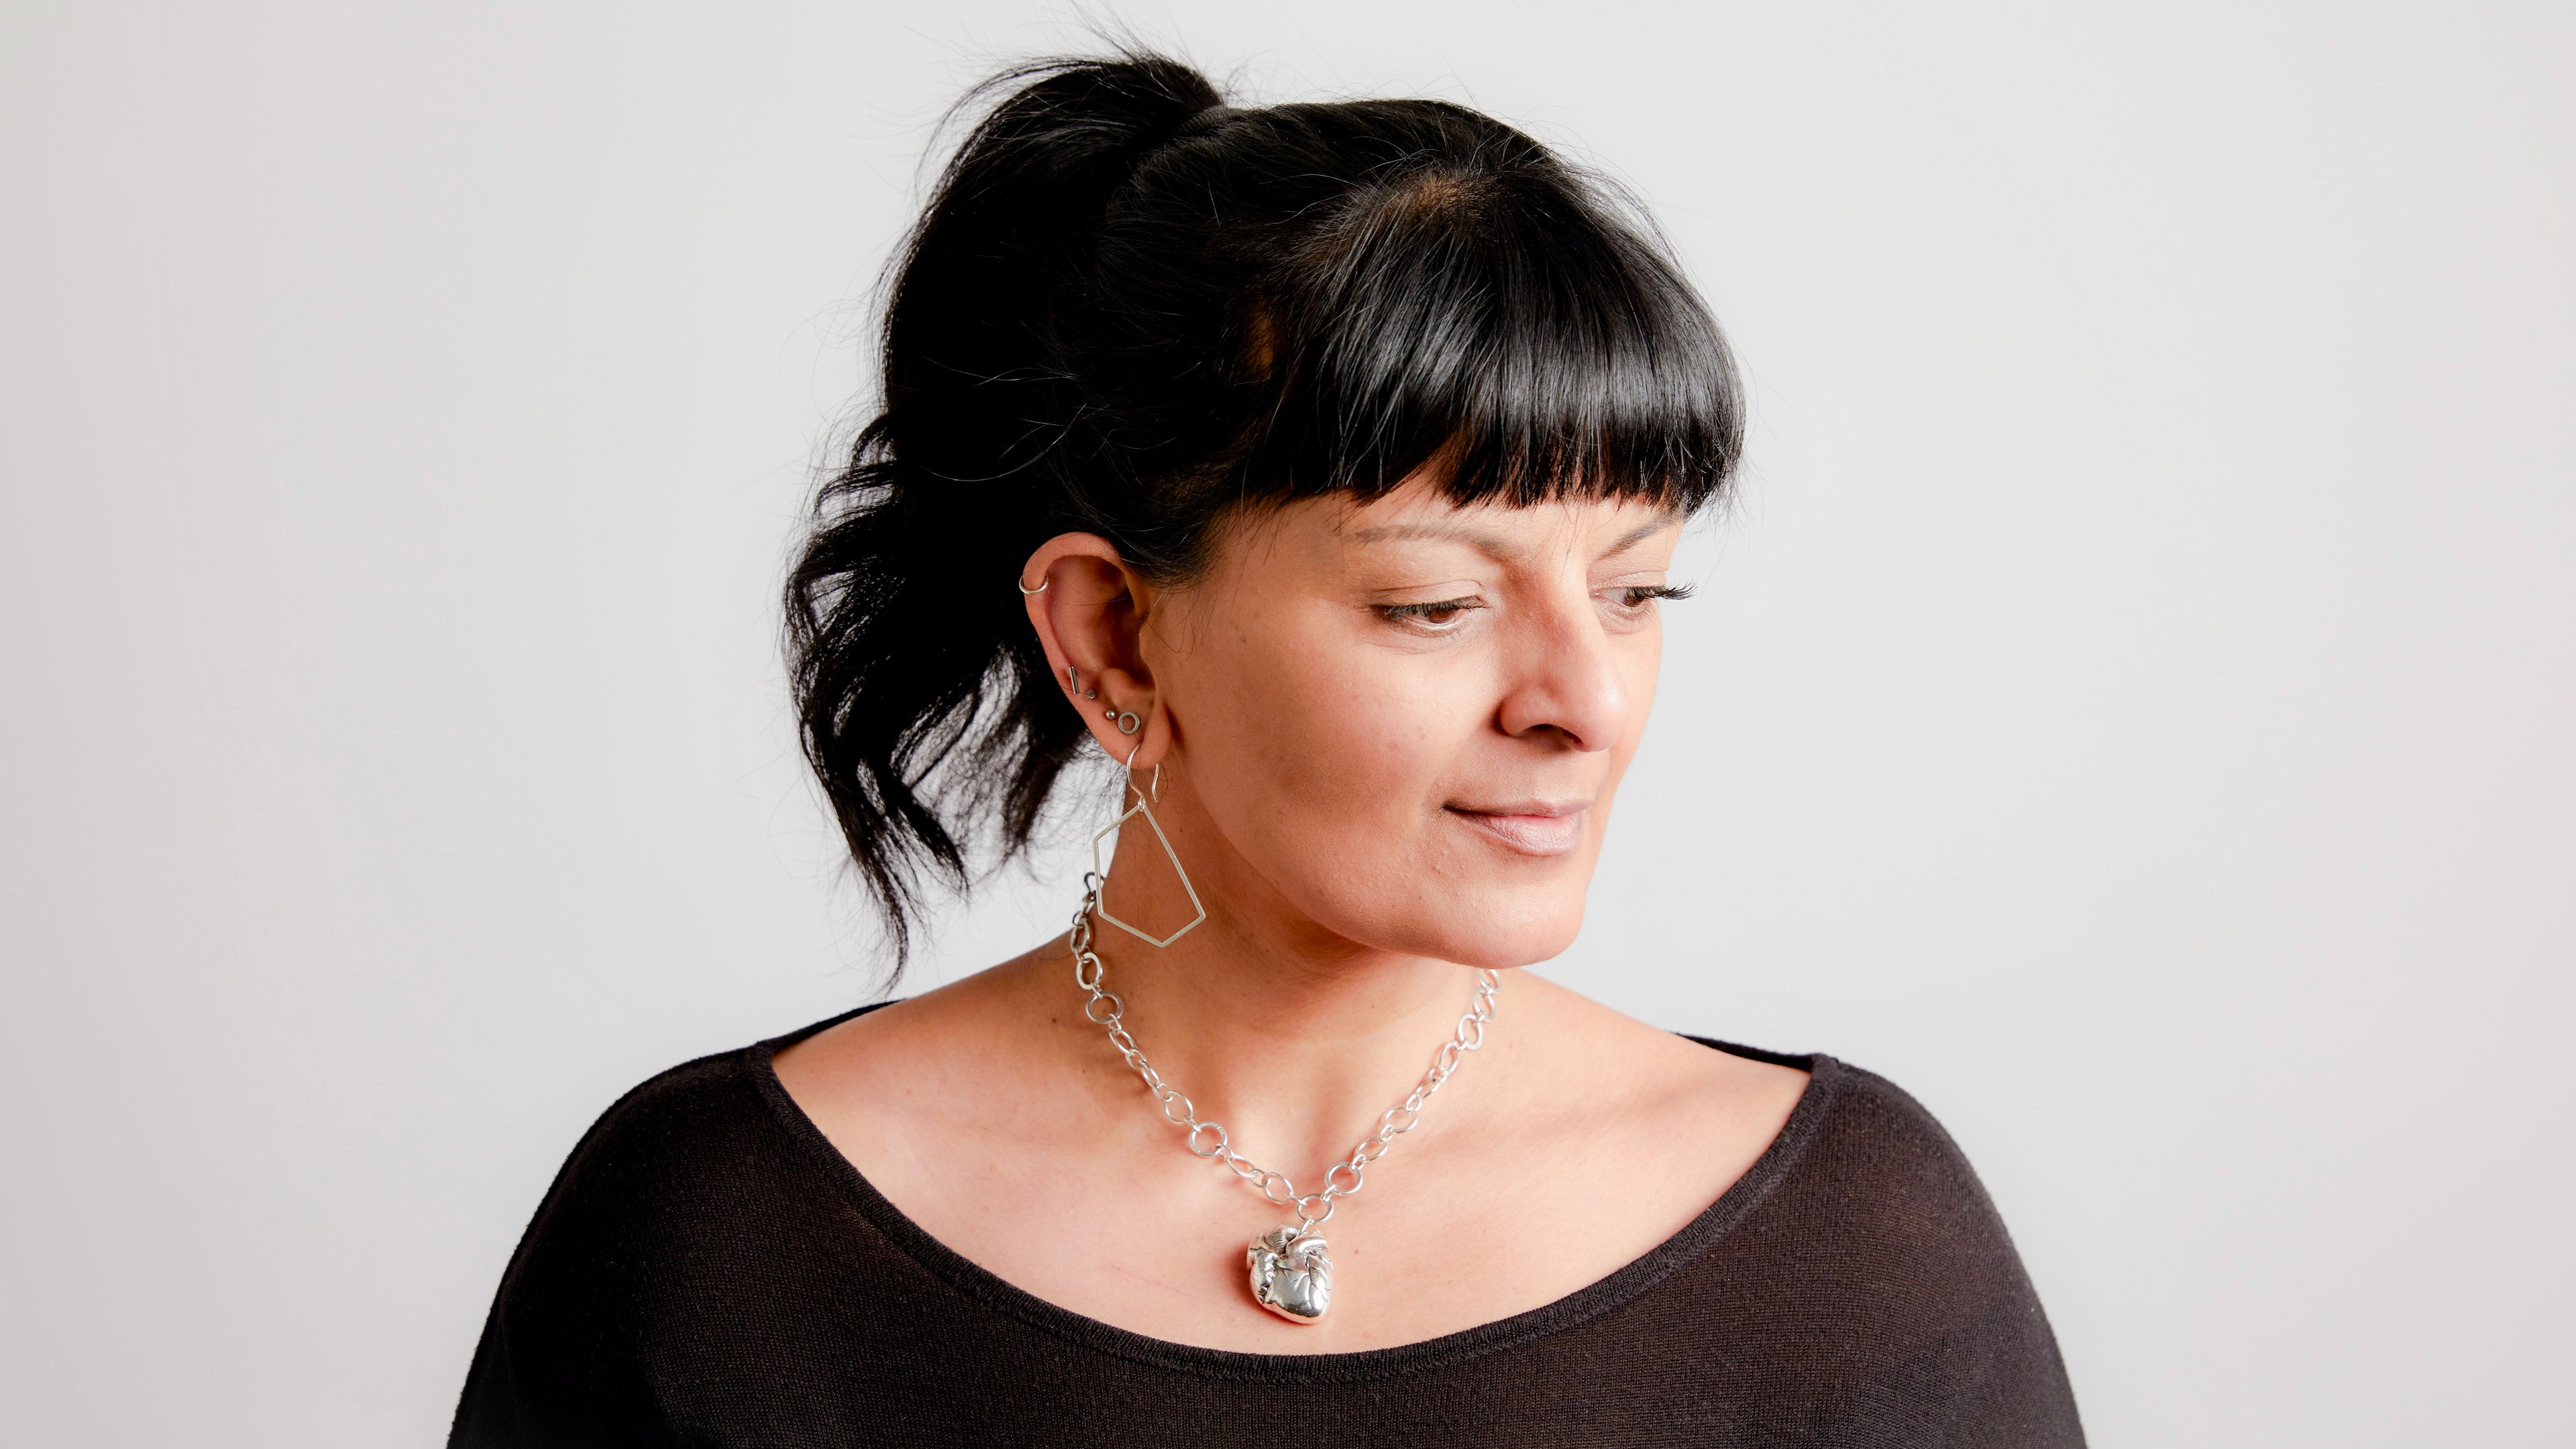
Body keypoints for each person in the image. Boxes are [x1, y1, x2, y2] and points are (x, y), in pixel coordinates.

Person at [450, 50, 2084, 1447]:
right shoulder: (718, 1242)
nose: (1582, 700)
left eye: (1637, 588)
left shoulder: (1852, 1255)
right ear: (1113, 635)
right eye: (1436, 605)